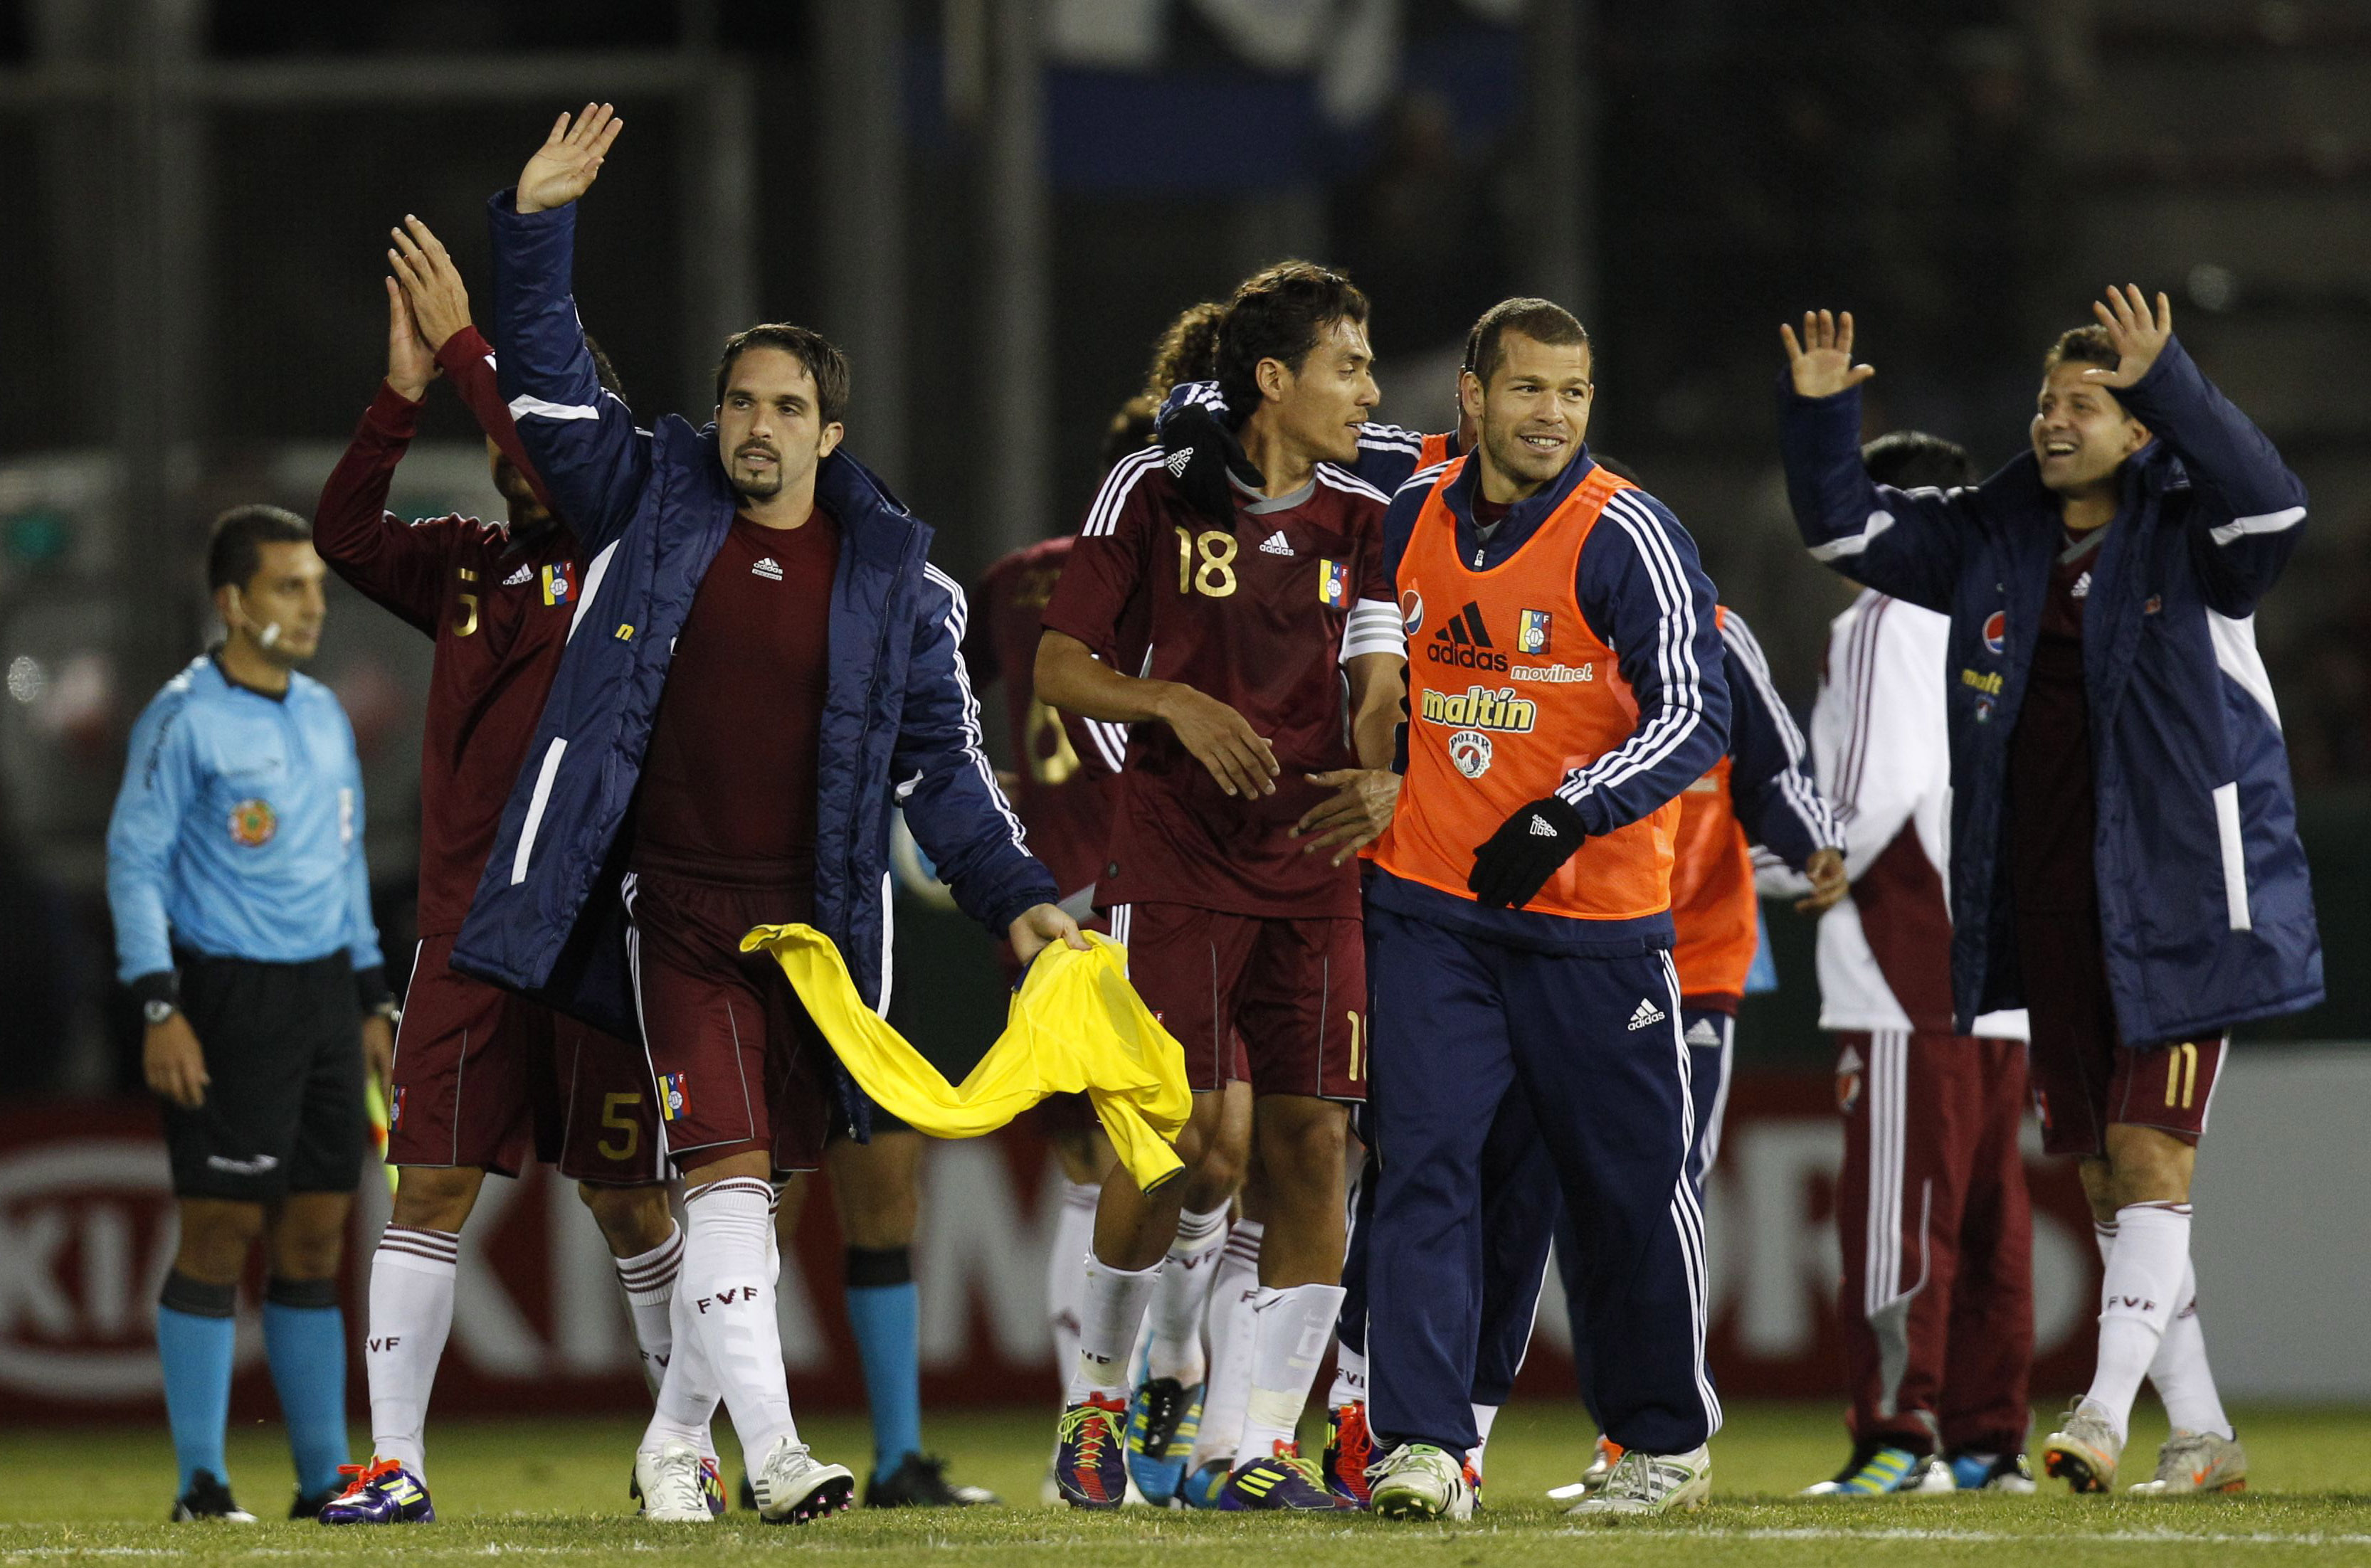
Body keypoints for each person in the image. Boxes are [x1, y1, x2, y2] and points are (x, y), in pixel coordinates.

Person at [450, 105, 1078, 1527]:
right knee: (726, 1176)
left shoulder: (898, 587)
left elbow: (944, 771)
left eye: (787, 407)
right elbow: (546, 389)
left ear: (829, 432)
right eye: (739, 401)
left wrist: (1019, 895)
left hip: (816, 929)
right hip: (673, 911)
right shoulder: (646, 504)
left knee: (762, 1192)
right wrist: (536, 230)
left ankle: (676, 1444)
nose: (756, 424)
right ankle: (781, 1454)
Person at [1778, 292, 2318, 1496]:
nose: (2055, 420)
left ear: (2141, 431)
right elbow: (1849, 535)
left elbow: (2279, 506)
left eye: (2087, 404)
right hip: (2053, 906)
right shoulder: (1995, 535)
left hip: (2185, 902)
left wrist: (2171, 378)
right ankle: (2203, 1437)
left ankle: (2104, 1415)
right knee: (2105, 1178)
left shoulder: (2197, 536)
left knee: (2151, 1153)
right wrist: (1819, 422)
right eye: (2045, 401)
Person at [307, 226, 696, 1525]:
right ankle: (397, 1465)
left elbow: (550, 446)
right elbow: (342, 530)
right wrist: (400, 390)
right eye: (498, 431)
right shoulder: (469, 562)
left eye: (532, 427)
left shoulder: (637, 544)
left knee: (630, 1201)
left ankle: (681, 1450)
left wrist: (476, 344)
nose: (507, 453)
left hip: (596, 930)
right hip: (469, 931)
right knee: (427, 1189)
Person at [1035, 259, 1405, 1512]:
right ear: (1275, 379)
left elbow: (1376, 678)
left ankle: (1256, 1445)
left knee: (1315, 1142)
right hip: (1176, 859)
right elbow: (1061, 665)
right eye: (1349, 367)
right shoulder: (1153, 485)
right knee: (1175, 1138)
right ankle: (1095, 1407)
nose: (1369, 393)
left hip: (1316, 862)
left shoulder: (1365, 513)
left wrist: (1386, 773)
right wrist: (1171, 703)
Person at [1359, 297, 1730, 1521]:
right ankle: (1425, 1446)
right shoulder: (1409, 509)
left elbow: (1696, 713)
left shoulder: (1628, 533)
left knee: (1626, 1189)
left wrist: (1568, 812)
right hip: (1429, 909)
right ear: (1472, 397)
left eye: (1573, 393)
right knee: (1423, 1169)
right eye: (1528, 389)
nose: (1553, 415)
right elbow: (1311, 449)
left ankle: (1663, 1442)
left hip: (1594, 930)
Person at [1768, 430, 2043, 1498]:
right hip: (2005, 967)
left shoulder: (1883, 617)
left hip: (1908, 961)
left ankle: (1898, 1435)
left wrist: (1761, 863)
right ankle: (1989, 1442)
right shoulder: (2009, 608)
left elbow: (1859, 802)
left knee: (1899, 1216)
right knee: (1991, 1217)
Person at [107, 505, 394, 1523]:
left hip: (324, 998)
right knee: (221, 1231)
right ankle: (202, 1482)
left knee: (316, 1238)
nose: (314, 606)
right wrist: (158, 1004)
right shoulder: (183, 717)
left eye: (317, 587)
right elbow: (134, 865)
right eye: (289, 587)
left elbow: (344, 866)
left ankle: (322, 1483)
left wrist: (371, 994)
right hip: (226, 997)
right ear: (232, 602)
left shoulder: (322, 713)